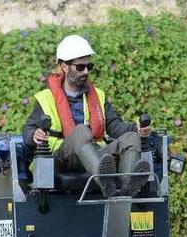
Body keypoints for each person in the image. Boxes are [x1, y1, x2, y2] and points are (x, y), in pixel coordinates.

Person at [22, 34, 152, 197]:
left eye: (89, 67)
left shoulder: (98, 95)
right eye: (80, 67)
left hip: (95, 155)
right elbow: (28, 129)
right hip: (61, 158)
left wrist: (137, 128)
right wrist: (34, 134)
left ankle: (127, 188)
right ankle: (105, 181)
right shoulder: (46, 98)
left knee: (131, 138)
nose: (86, 71)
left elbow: (114, 126)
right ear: (64, 66)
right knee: (81, 131)